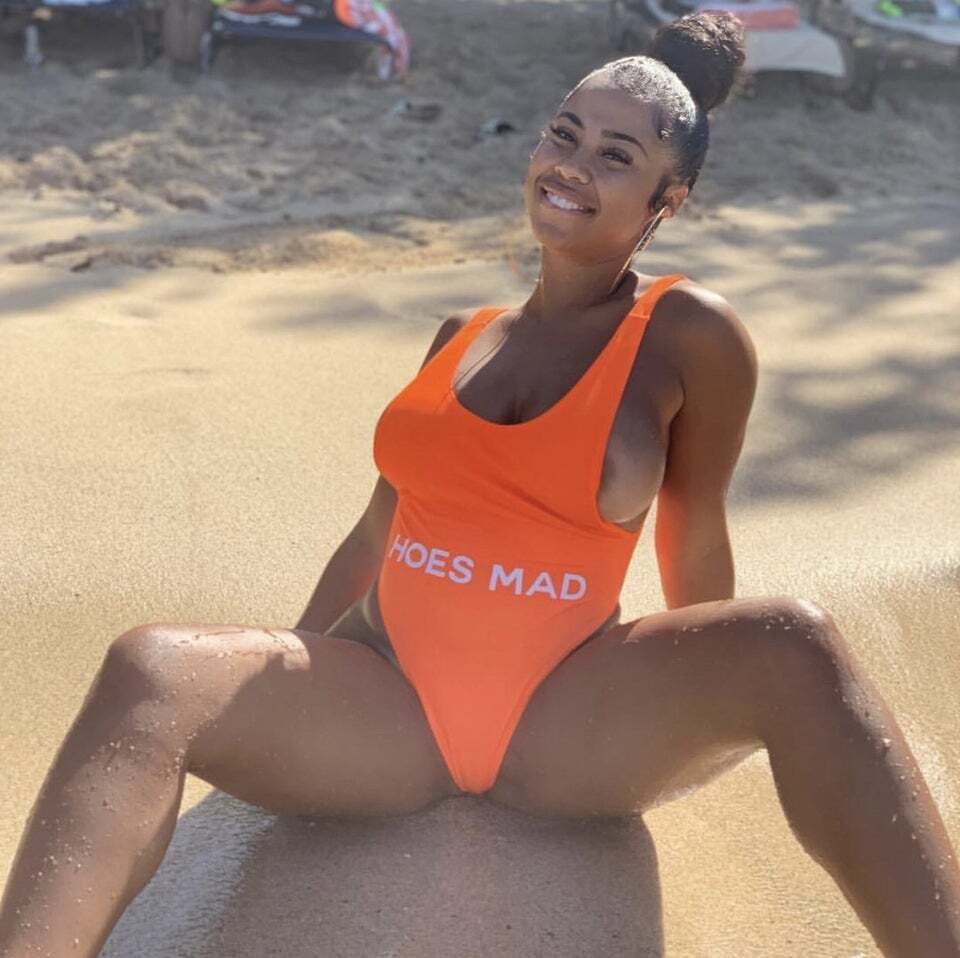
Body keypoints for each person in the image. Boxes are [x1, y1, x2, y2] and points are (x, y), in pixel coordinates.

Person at [1, 11, 958, 957]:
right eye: (563, 134)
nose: (572, 166)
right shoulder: (459, 335)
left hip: (563, 719)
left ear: (670, 198)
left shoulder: (690, 335)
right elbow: (375, 533)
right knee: (150, 667)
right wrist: (283, 673)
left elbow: (695, 529)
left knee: (794, 641)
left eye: (616, 157)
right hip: (389, 708)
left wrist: (698, 682)